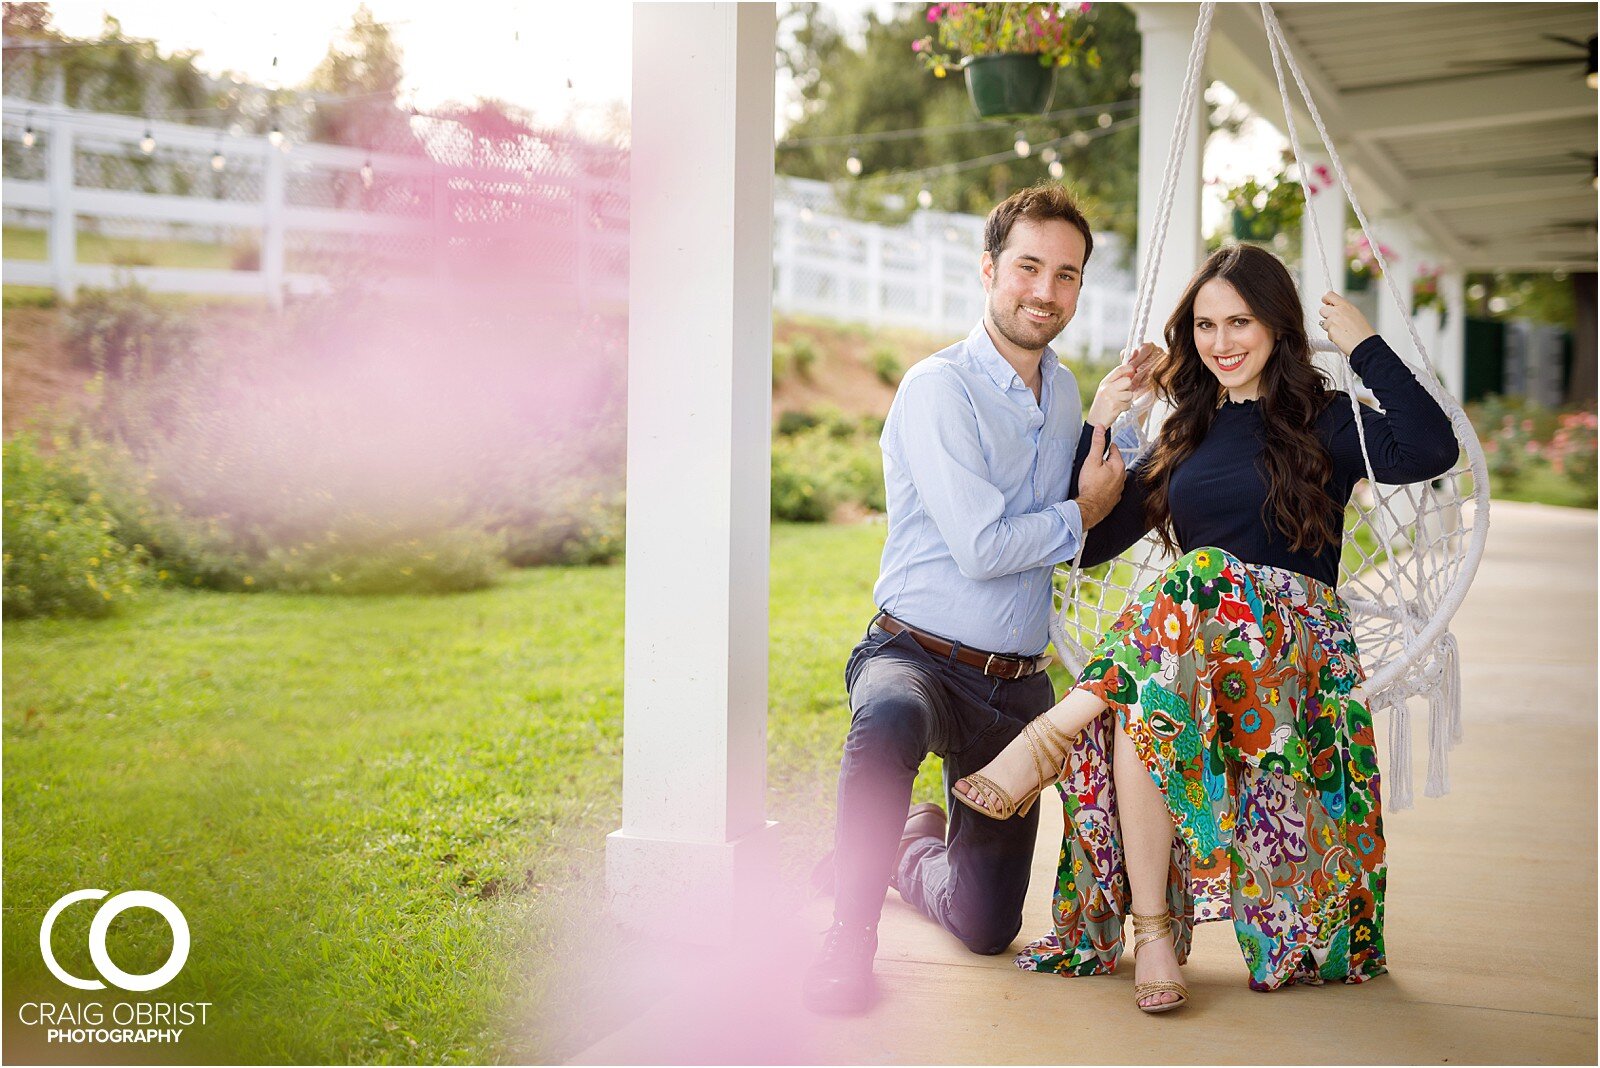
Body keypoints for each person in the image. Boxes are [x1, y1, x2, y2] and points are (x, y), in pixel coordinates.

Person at [951, 242, 1458, 1013]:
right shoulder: (1184, 434)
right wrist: (1102, 421)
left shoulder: (1326, 420)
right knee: (1140, 704)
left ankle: (1047, 738)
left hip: (1300, 652)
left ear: (1278, 327)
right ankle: (1154, 932)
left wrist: (1365, 346)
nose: (1221, 343)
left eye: (1240, 322)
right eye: (1206, 326)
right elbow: (1086, 542)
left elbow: (1430, 446)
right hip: (1198, 663)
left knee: (1201, 573)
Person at [801, 185, 1156, 1015]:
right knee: (885, 722)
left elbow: (1083, 497)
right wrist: (1087, 509)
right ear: (990, 269)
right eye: (1028, 267)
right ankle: (847, 939)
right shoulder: (939, 389)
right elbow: (987, 546)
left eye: (1066, 275)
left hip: (1013, 689)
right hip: (913, 655)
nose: (1045, 291)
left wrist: (1120, 421)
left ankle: (907, 850)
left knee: (986, 926)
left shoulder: (1063, 390)